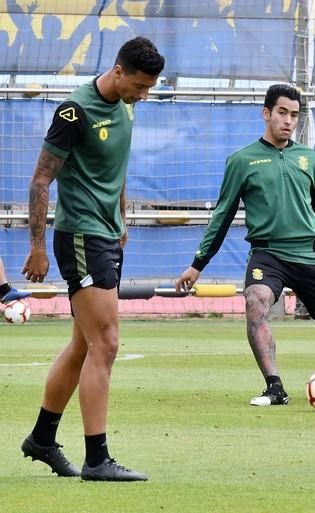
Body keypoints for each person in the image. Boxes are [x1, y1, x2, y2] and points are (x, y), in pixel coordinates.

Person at [21, 37, 165, 481]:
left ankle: (42, 439)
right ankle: (96, 459)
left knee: (85, 343)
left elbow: (115, 166)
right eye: (139, 86)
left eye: (148, 88)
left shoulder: (128, 104)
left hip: (105, 234)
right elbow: (41, 179)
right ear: (118, 71)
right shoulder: (73, 112)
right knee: (107, 343)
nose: (144, 95)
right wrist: (38, 247)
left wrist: (121, 219)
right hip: (79, 235)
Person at [176, 84, 315, 407]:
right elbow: (222, 217)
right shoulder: (241, 161)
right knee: (256, 302)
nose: (289, 121)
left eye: (294, 115)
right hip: (268, 254)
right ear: (266, 114)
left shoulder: (310, 160)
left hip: (309, 253)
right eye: (282, 113)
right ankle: (275, 386)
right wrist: (197, 266)